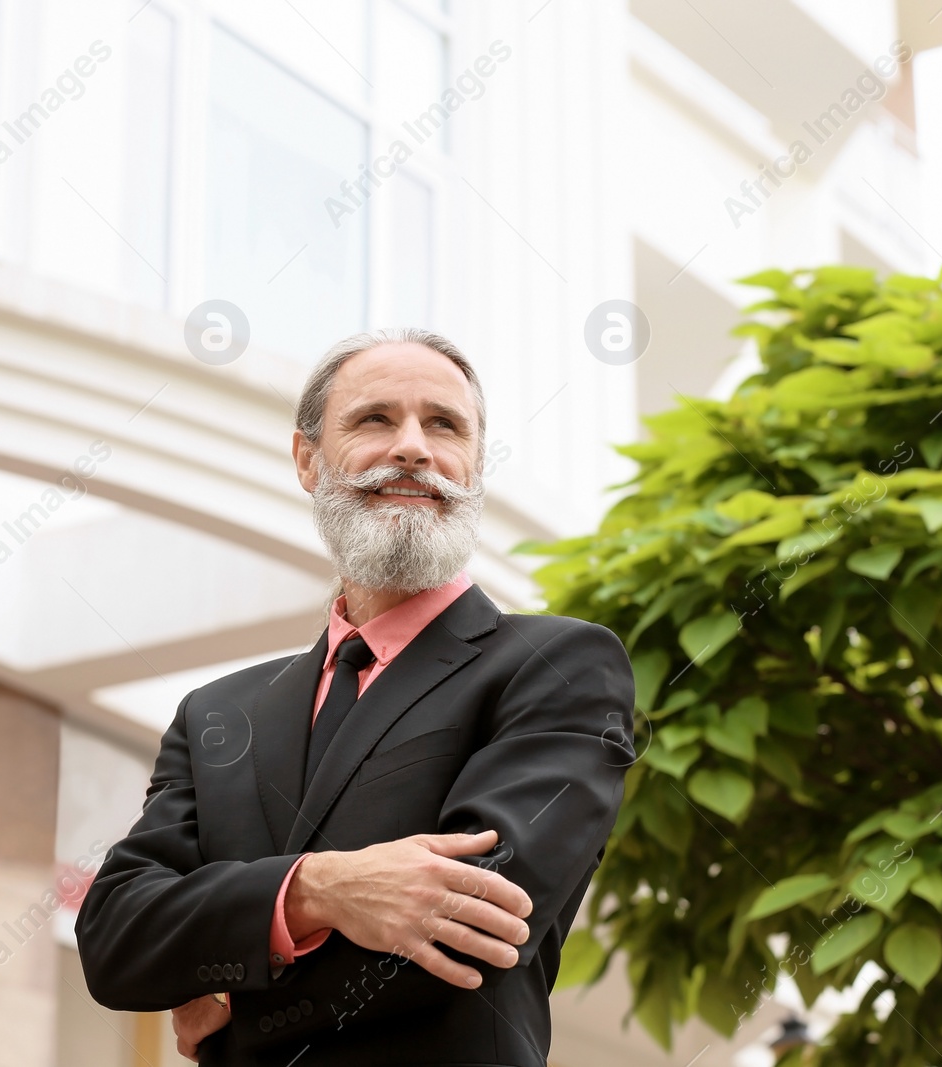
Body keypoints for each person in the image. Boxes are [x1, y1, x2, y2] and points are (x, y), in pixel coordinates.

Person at [75, 328, 635, 1066]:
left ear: (474, 463)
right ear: (309, 460)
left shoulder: (557, 665)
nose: (413, 446)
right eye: (375, 419)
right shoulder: (217, 713)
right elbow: (115, 936)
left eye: (444, 424)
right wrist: (318, 890)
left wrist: (234, 979)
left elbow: (473, 918)